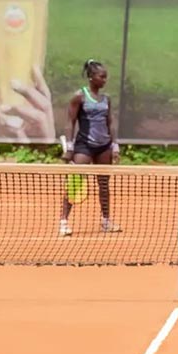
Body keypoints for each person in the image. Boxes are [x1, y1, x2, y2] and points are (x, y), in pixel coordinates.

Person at [58, 59, 121, 237]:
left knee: (104, 185)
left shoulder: (106, 99)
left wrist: (115, 146)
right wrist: (69, 147)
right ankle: (63, 222)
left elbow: (110, 123)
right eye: (102, 77)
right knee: (75, 184)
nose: (105, 80)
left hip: (104, 147)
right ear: (92, 77)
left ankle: (106, 221)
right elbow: (70, 122)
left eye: (106, 77)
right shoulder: (79, 96)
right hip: (84, 146)